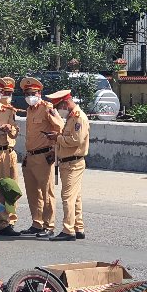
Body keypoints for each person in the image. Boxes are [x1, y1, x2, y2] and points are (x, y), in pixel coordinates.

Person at [17, 76, 63, 239]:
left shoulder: (47, 107)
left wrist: (53, 149)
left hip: (45, 155)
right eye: (27, 93)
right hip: (31, 156)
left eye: (33, 93)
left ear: (40, 93)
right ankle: (37, 223)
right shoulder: (30, 110)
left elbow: (60, 127)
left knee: (46, 192)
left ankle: (49, 225)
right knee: (32, 193)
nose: (30, 96)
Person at [44, 89, 89, 241]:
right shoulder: (71, 118)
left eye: (58, 107)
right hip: (68, 161)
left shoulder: (78, 118)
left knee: (67, 197)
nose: (58, 111)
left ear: (65, 103)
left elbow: (76, 140)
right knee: (75, 197)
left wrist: (58, 138)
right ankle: (78, 227)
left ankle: (68, 230)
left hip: (73, 162)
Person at [0, 76, 21, 237]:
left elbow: (15, 132)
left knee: (4, 189)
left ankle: (4, 222)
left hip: (2, 152)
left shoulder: (8, 111)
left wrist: (9, 129)